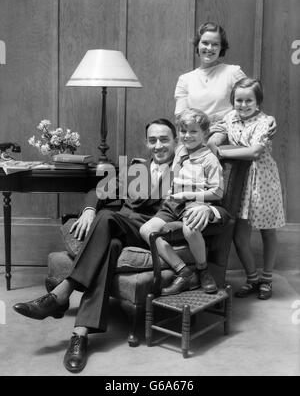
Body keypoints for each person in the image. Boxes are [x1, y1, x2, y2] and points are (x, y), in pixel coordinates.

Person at [12, 118, 226, 374]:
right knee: (110, 244)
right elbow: (98, 190)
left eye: (164, 139)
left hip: (152, 235)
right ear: (147, 142)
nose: (158, 146)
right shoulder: (138, 169)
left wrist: (207, 207)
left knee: (107, 218)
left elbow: (219, 201)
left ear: (176, 141)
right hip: (118, 230)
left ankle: (62, 292)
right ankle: (80, 334)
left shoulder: (189, 168)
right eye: (153, 140)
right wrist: (90, 210)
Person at [208, 77, 285, 301]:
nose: (243, 105)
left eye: (248, 100)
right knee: (240, 234)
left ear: (258, 102)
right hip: (239, 181)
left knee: (268, 231)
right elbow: (214, 133)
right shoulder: (230, 117)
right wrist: (215, 140)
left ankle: (267, 279)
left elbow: (254, 152)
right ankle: (252, 278)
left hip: (263, 180)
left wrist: (222, 152)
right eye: (238, 100)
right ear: (233, 101)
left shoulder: (264, 122)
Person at [140, 109, 223, 296]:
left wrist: (186, 195)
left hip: (195, 203)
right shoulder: (179, 151)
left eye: (193, 131)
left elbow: (217, 192)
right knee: (146, 230)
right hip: (173, 204)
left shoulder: (209, 159)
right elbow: (175, 173)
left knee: (189, 229)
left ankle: (202, 269)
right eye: (184, 131)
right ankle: (184, 271)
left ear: (205, 134)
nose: (187, 135)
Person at [174, 22, 246, 122]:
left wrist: (267, 119)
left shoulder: (233, 72)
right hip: (196, 133)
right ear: (197, 44)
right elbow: (180, 117)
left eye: (215, 44)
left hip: (226, 131)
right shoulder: (185, 79)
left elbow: (251, 105)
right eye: (205, 43)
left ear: (221, 47)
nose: (209, 48)